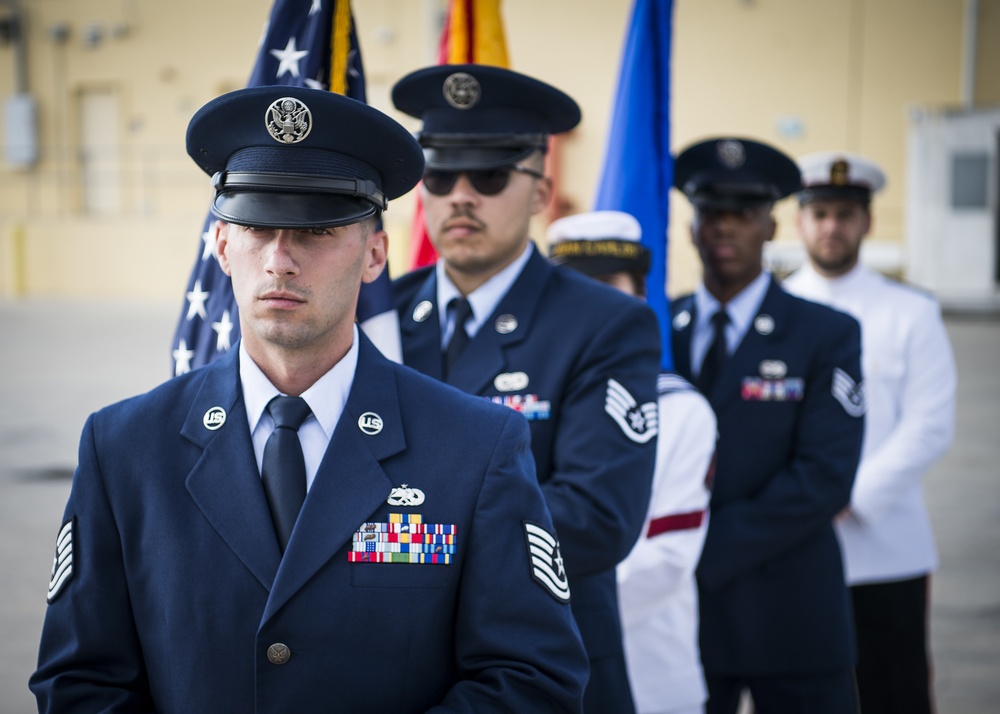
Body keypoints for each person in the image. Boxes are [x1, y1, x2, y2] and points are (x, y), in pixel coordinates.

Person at [29, 85, 590, 713]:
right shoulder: (125, 447)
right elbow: (79, 683)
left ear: (375, 254)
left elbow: (531, 678)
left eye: (317, 230)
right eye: (257, 227)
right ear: (220, 246)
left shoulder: (474, 447)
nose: (280, 260)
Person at [390, 64, 661, 713]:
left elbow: (598, 517)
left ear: (541, 190)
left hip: (544, 663)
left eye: (488, 175)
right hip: (394, 661)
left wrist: (400, 540)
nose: (460, 196)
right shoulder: (377, 319)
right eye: (440, 174)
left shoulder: (606, 324)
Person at [670, 137, 865, 714]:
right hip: (684, 620)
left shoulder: (825, 333)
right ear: (691, 227)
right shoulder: (656, 327)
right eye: (711, 213)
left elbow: (826, 476)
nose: (724, 228)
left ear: (772, 226)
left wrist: (702, 546)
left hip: (791, 611)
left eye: (744, 214)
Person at [783, 151, 957, 714]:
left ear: (868, 222)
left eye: (845, 213)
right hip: (791, 542)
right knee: (797, 691)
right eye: (820, 213)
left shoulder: (911, 312)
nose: (832, 226)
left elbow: (930, 422)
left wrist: (848, 495)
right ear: (798, 221)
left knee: (895, 691)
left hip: (886, 549)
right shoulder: (774, 310)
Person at [547, 210, 716, 714]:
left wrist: (512, 595)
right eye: (573, 287)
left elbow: (664, 561)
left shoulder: (681, 410)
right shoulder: (514, 396)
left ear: (640, 294)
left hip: (649, 675)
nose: (590, 303)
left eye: (606, 284)